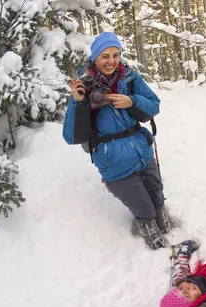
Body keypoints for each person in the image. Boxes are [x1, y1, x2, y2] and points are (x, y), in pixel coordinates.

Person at [62, 32, 170, 250]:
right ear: (94, 58)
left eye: (115, 55)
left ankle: (168, 228)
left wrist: (131, 101)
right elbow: (72, 136)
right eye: (105, 56)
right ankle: (157, 245)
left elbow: (154, 105)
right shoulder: (84, 86)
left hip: (141, 148)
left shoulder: (129, 77)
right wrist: (78, 102)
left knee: (157, 194)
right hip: (113, 160)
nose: (111, 61)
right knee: (144, 207)